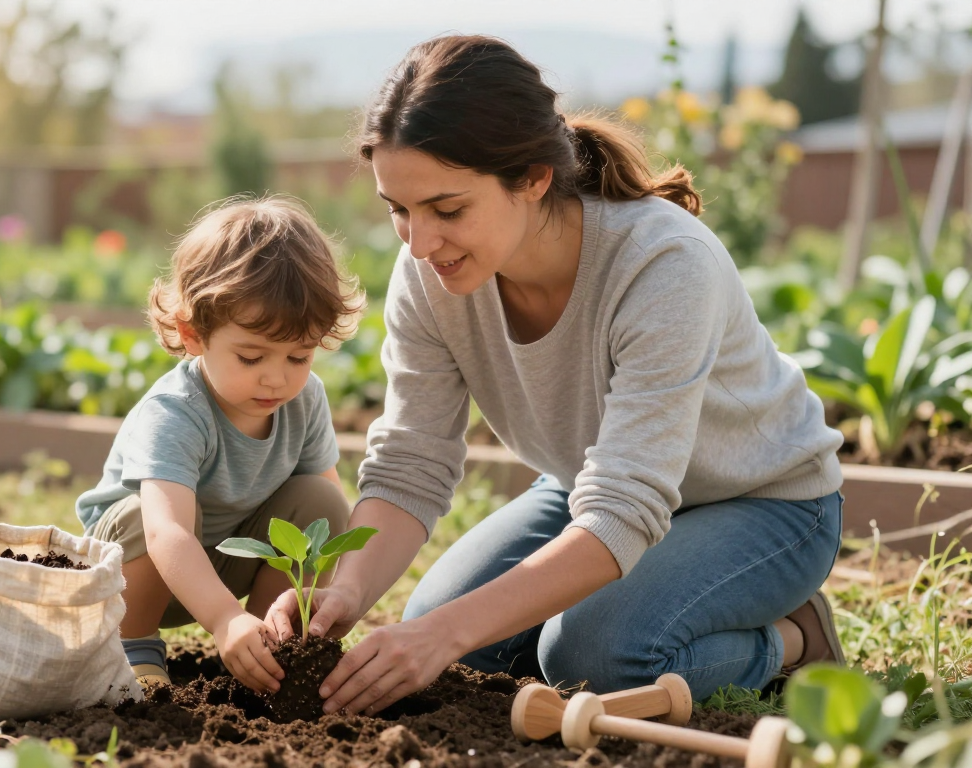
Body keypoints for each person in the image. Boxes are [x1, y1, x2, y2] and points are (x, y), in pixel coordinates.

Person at [266, 35, 845, 716]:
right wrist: (347, 590)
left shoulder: (663, 265)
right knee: (454, 636)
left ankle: (793, 640)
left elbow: (623, 511)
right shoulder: (428, 274)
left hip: (763, 504)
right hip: (587, 489)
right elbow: (410, 465)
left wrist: (442, 633)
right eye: (399, 209)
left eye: (447, 210)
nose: (420, 244)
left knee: (589, 655)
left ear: (534, 178)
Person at [77, 196, 364, 693]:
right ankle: (131, 649)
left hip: (225, 563)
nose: (277, 378)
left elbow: (325, 503)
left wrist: (330, 590)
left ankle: (270, 642)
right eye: (252, 357)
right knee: (144, 514)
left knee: (321, 504)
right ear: (193, 335)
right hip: (130, 573)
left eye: (299, 356)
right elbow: (167, 533)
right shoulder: (176, 410)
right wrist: (222, 617)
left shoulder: (305, 400)